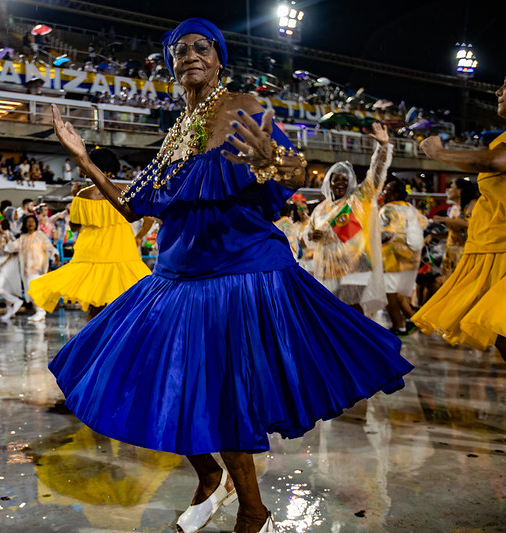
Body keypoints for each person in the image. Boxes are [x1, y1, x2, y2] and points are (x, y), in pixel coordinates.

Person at [47, 19, 413, 533]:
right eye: (180, 51)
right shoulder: (176, 134)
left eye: (202, 47)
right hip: (178, 275)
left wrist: (274, 163)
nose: (191, 55)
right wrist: (84, 159)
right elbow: (132, 207)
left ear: (219, 58)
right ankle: (210, 478)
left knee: (223, 395)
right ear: (170, 66)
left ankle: (254, 510)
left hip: (239, 273)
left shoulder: (244, 106)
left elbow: (292, 170)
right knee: (157, 386)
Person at [412, 76, 506, 360]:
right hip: (491, 249)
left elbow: (491, 162)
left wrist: (439, 152)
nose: (498, 90)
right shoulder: (501, 139)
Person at [28, 148, 152, 321]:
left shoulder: (82, 195)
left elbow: (75, 227)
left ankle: (92, 346)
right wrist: (138, 237)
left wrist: (74, 196)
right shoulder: (127, 191)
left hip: (91, 256)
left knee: (95, 311)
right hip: (123, 254)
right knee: (129, 307)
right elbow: (149, 219)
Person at [304, 123, 392, 315]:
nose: (341, 183)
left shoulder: (357, 200)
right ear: (329, 182)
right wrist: (312, 234)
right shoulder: (320, 209)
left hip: (356, 267)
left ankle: (357, 345)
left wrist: (382, 149)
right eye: (337, 179)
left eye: (345, 179)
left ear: (351, 182)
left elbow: (375, 177)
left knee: (353, 312)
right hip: (327, 270)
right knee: (331, 313)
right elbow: (307, 236)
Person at [379, 178, 426, 335]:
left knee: (388, 295)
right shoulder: (411, 209)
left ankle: (399, 327)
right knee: (401, 297)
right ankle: (415, 324)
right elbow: (424, 224)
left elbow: (386, 234)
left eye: (387, 191)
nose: (384, 194)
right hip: (411, 260)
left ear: (395, 193)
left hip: (392, 260)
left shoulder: (388, 209)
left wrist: (368, 242)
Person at [4, 214, 60, 322]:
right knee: (31, 291)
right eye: (28, 222)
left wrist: (56, 255)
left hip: (38, 269)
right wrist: (6, 238)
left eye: (32, 221)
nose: (30, 224)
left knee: (36, 291)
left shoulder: (40, 236)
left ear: (36, 224)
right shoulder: (23, 238)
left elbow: (50, 247)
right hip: (27, 270)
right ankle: (38, 312)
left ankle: (40, 312)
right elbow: (12, 247)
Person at [435, 177, 479, 281]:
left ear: (460, 191)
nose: (448, 190)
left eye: (451, 187)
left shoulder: (473, 204)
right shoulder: (451, 208)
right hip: (451, 252)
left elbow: (469, 224)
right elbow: (451, 232)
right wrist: (433, 236)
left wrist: (444, 219)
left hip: (466, 251)